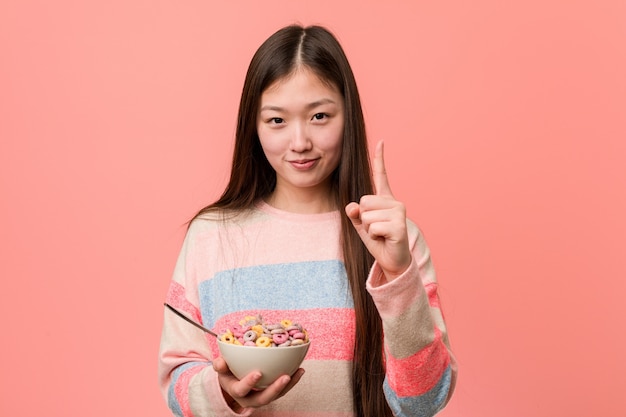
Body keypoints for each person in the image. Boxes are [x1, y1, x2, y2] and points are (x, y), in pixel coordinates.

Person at [158, 24, 457, 417]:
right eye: (277, 121)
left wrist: (398, 274)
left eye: (319, 116)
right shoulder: (212, 235)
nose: (299, 142)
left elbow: (423, 403)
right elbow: (176, 378)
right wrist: (226, 393)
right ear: (254, 126)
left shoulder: (391, 240)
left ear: (347, 116)